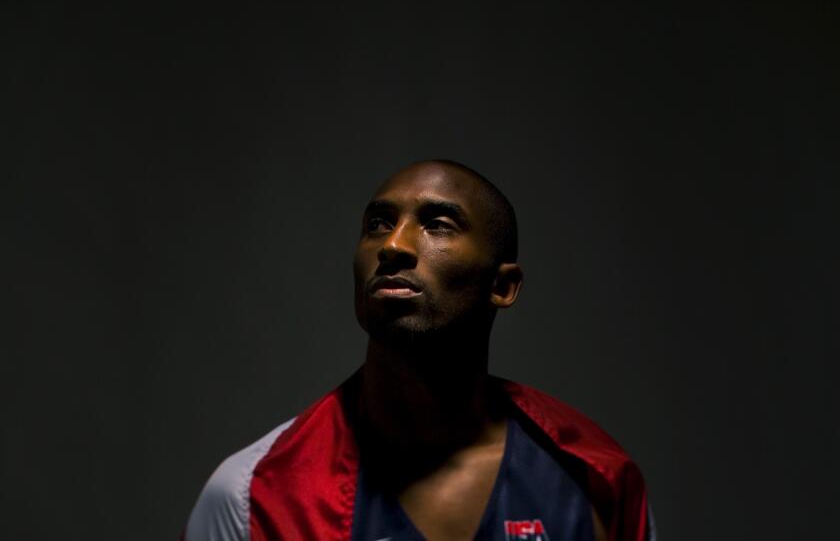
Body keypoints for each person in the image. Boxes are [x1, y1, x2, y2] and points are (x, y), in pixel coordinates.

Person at [183, 160, 655, 541]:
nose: (392, 244)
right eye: (378, 224)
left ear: (502, 285)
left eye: (438, 224)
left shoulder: (594, 478)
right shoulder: (253, 494)